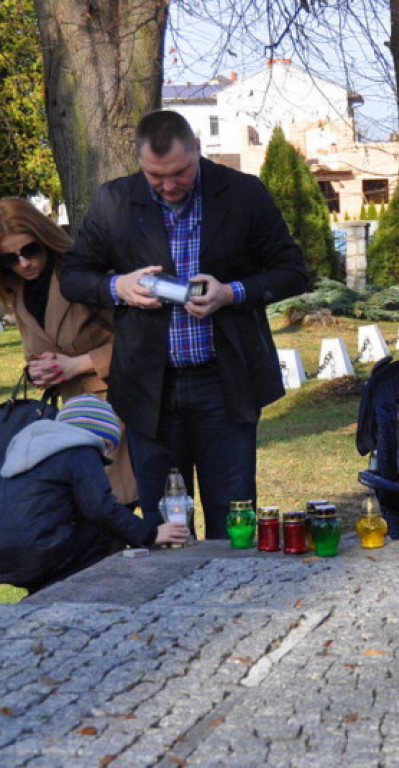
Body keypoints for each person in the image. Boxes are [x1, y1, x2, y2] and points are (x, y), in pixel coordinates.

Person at [61, 110, 309, 539]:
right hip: (148, 387)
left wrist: (230, 293)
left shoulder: (243, 194)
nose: (169, 185)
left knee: (233, 518)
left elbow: (292, 271)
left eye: (180, 172)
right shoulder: (114, 200)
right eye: (155, 176)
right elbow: (74, 276)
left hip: (224, 381)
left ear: (197, 149)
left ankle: (233, 600)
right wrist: (120, 286)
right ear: (139, 162)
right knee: (165, 523)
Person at [0, 198, 136, 505]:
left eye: (29, 250)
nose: (23, 263)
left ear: (44, 237)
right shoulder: (18, 291)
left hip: (118, 405)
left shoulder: (79, 273)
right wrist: (37, 370)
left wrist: (79, 364)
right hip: (71, 415)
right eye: (10, 258)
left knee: (125, 506)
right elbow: (38, 350)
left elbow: (140, 339)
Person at [0, 395, 188, 593]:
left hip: (9, 554)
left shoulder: (29, 448)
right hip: (42, 551)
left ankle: (42, 592)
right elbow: (100, 508)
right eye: (106, 446)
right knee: (105, 529)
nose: (105, 455)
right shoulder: (80, 450)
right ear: (95, 436)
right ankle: (85, 590)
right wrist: (151, 534)